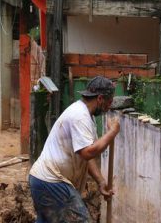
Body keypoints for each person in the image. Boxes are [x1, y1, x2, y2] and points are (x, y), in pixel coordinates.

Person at [29, 76, 120, 223]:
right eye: (109, 102)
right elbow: (88, 152)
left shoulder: (85, 116)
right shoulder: (80, 116)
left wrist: (100, 182)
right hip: (52, 181)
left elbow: (85, 156)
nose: (109, 106)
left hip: (42, 180)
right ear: (100, 98)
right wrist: (112, 133)